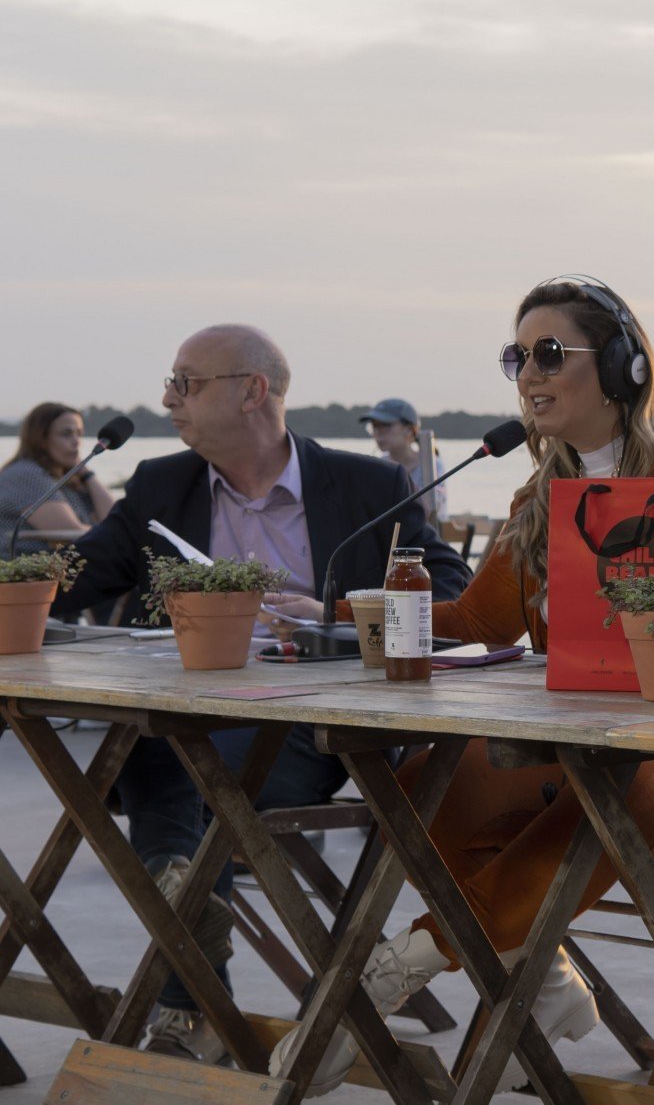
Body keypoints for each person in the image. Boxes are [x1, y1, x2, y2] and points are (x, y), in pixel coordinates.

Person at [265, 277, 654, 1096]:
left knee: (622, 795)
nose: (529, 373)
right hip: (573, 742)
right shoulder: (537, 496)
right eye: (516, 356)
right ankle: (542, 963)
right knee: (421, 785)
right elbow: (475, 622)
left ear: (625, 367)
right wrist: (338, 614)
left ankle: (398, 966)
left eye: (550, 354)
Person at [50, 325, 469, 1064]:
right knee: (143, 748)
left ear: (253, 391)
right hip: (191, 708)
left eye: (187, 381)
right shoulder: (160, 483)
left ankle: (187, 996)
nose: (167, 398)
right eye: (171, 380)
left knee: (177, 758)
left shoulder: (368, 486)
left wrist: (338, 613)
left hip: (316, 722)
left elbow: (453, 596)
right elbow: (74, 572)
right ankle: (188, 916)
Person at [0, 403, 116, 559]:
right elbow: (71, 533)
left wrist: (87, 474)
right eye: (66, 434)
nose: (76, 441)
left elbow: (114, 519)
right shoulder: (25, 474)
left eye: (79, 434)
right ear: (40, 439)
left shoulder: (67, 476)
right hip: (29, 577)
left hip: (67, 572)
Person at [360, 397, 447, 521]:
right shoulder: (378, 465)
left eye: (385, 425)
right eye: (374, 426)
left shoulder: (432, 465)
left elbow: (429, 510)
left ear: (409, 429)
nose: (378, 432)